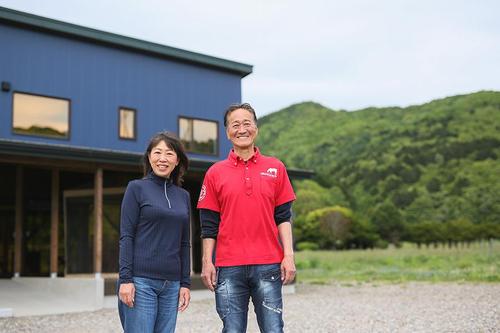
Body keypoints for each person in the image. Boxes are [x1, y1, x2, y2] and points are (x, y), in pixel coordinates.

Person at [197, 103, 296, 333]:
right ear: (227, 132)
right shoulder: (215, 172)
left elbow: (283, 217)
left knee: (273, 329)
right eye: (235, 124)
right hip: (228, 266)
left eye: (247, 123)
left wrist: (288, 256)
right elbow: (209, 225)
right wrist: (206, 261)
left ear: (256, 128)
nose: (242, 129)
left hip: (268, 263)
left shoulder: (276, 168)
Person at [118, 132, 191, 333]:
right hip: (141, 282)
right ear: (149, 157)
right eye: (157, 152)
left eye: (169, 153)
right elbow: (126, 236)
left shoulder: (183, 196)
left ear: (177, 160)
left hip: (172, 285)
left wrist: (185, 283)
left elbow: (185, 243)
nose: (162, 158)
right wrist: (126, 280)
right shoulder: (136, 188)